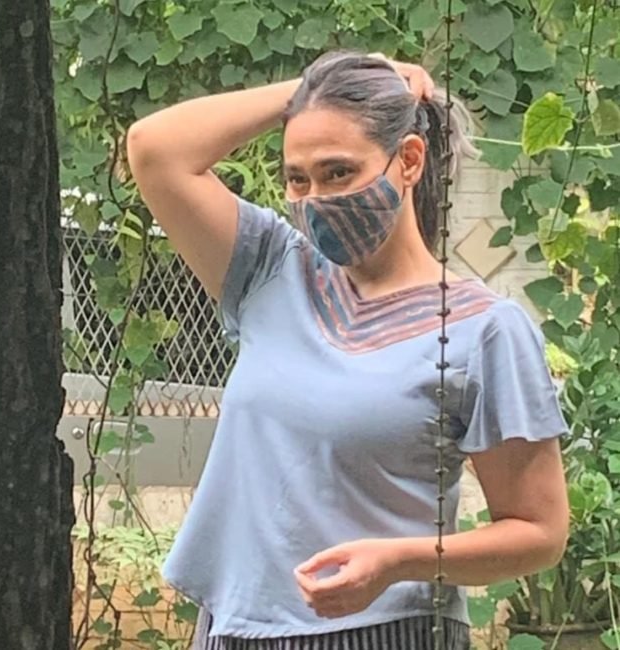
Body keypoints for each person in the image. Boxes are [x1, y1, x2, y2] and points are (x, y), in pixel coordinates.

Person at [127, 51, 570, 650]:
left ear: (408, 160)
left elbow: (539, 532)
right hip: (235, 627)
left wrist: (399, 561)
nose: (316, 199)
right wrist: (317, 88)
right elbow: (155, 150)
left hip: (387, 631)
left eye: (339, 173)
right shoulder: (269, 270)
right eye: (298, 179)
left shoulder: (483, 330)